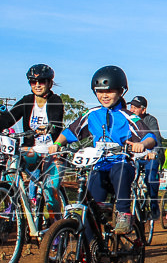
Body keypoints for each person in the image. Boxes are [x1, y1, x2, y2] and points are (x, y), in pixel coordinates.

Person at [52, 66, 156, 239]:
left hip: (121, 164)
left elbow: (150, 137)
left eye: (110, 91)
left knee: (120, 170)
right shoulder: (91, 114)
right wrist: (56, 144)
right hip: (98, 167)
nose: (104, 95)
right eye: (99, 91)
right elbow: (70, 132)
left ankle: (123, 213)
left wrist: (143, 144)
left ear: (121, 91)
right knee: (90, 207)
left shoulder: (128, 116)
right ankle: (91, 248)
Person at [0, 64, 65, 212]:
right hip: (31, 149)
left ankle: (56, 230)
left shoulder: (56, 100)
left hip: (52, 151)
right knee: (12, 163)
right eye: (33, 82)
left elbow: (56, 121)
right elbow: (8, 119)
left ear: (49, 83)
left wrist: (49, 127)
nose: (37, 85)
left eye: (41, 81)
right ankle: (16, 202)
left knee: (50, 191)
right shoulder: (26, 100)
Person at [128, 95, 162, 219]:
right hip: (133, 156)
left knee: (151, 176)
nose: (132, 110)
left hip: (149, 155)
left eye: (135, 108)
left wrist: (154, 152)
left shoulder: (150, 120)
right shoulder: (127, 120)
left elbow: (156, 138)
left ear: (143, 110)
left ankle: (154, 204)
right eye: (131, 107)